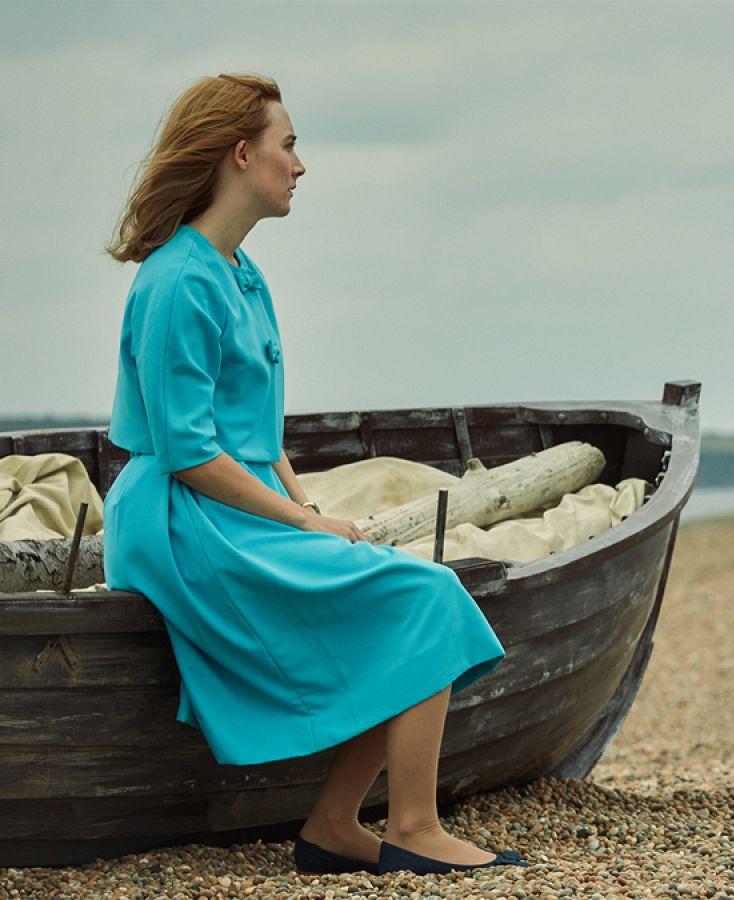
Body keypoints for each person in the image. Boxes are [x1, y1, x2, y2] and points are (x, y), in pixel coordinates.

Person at [102, 74, 527, 875]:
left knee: (390, 598)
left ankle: (335, 826)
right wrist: (299, 525)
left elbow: (250, 432)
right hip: (180, 525)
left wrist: (307, 502)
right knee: (423, 594)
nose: (302, 165)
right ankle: (413, 825)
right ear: (241, 153)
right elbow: (188, 451)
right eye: (289, 144)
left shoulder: (238, 272)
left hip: (228, 510)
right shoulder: (179, 281)